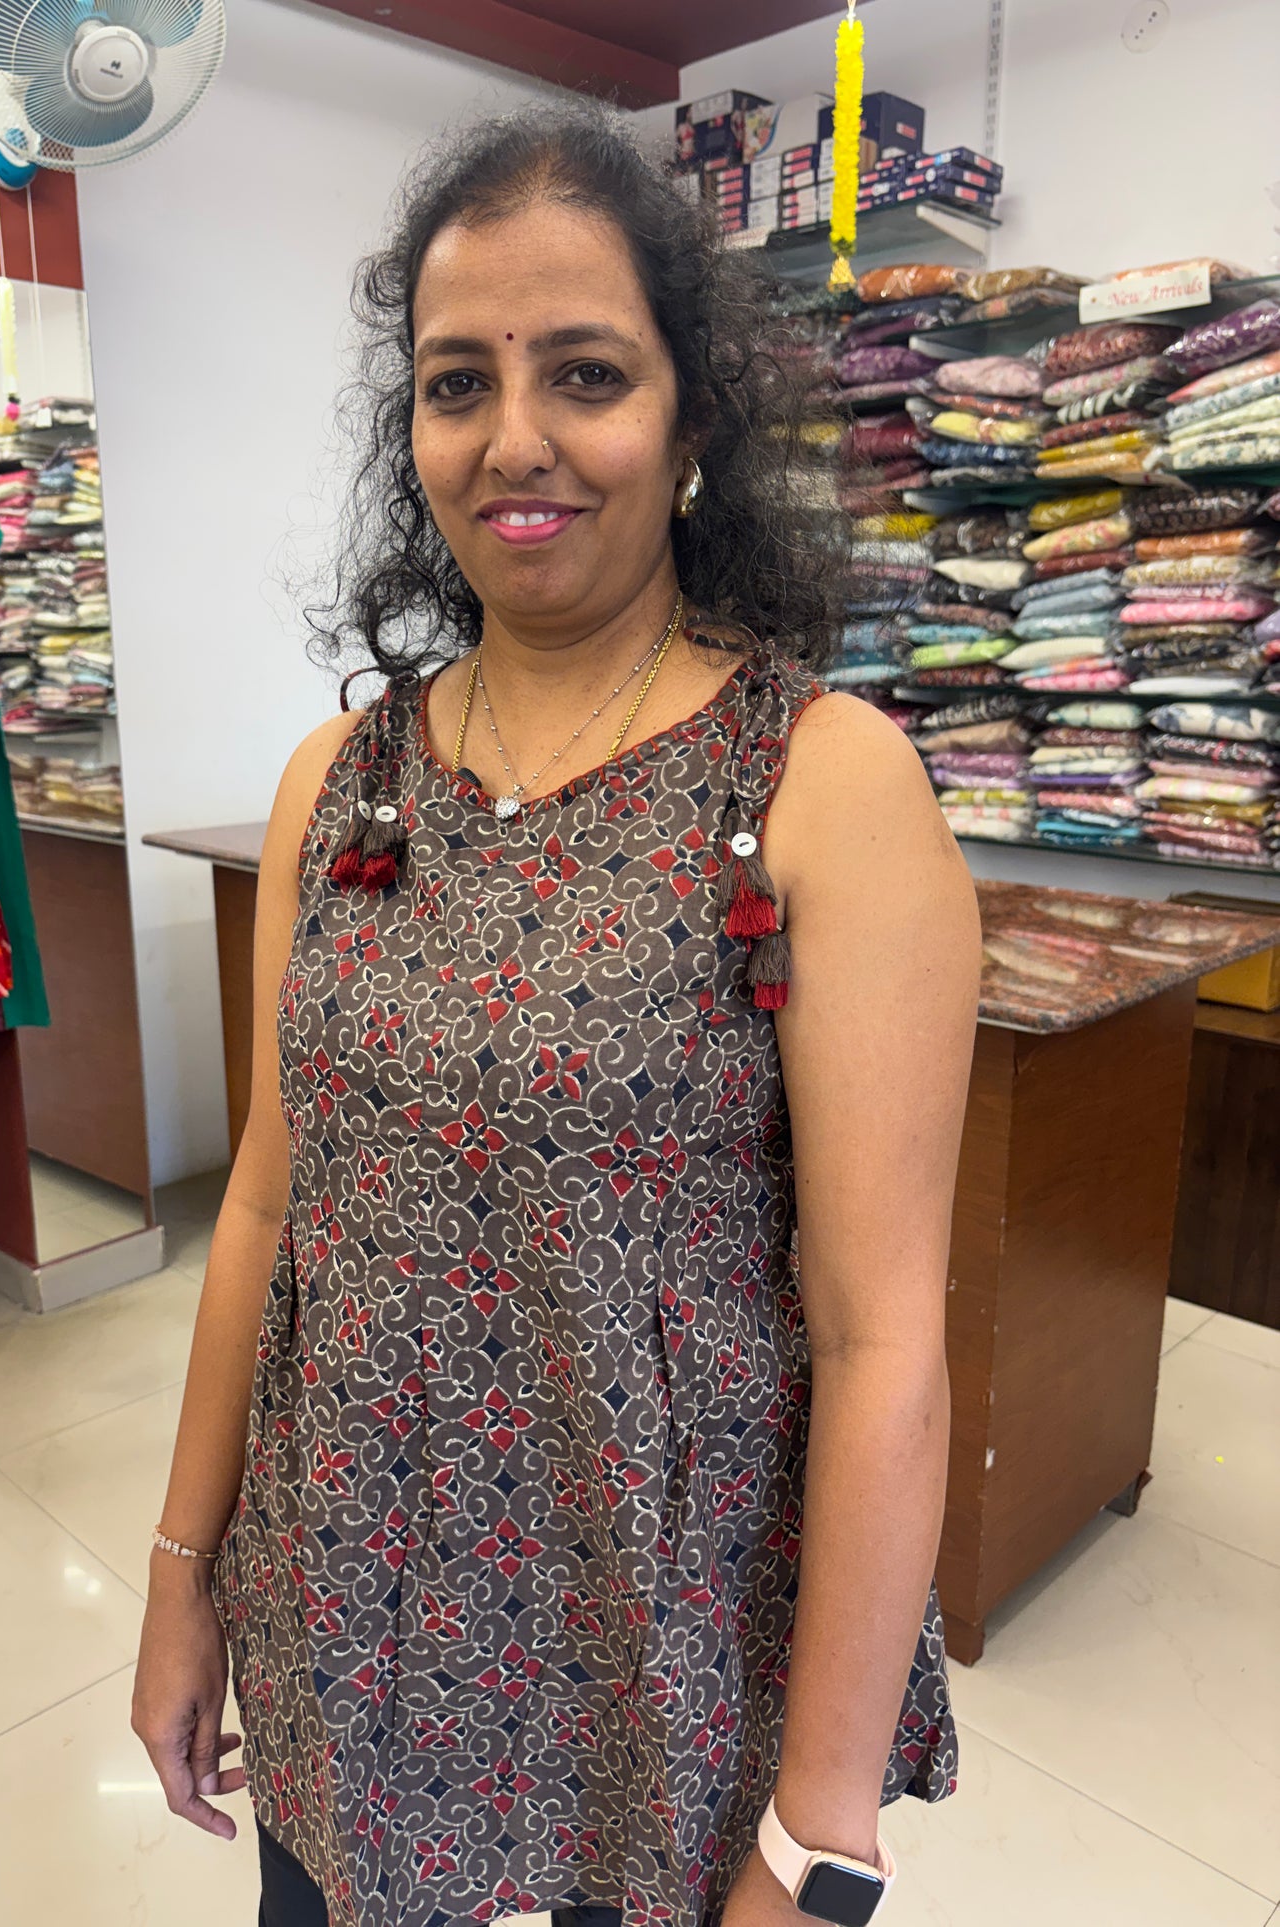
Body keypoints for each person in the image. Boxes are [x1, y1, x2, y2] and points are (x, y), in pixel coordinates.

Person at [132, 99, 979, 1927]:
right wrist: (180, 1567)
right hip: (345, 1627)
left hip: (654, 1669)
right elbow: (269, 1211)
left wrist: (815, 1835)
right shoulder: (335, 787)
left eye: (582, 372)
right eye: (457, 383)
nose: (514, 439)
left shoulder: (824, 789)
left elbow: (882, 1343)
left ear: (687, 422)